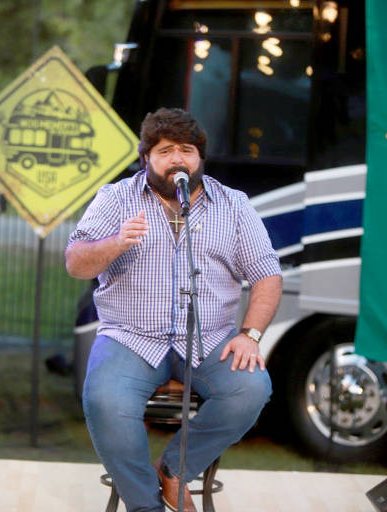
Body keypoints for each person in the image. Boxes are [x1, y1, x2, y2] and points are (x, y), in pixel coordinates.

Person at [65, 108, 282, 512]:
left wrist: (249, 335)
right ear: (145, 157)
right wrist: (114, 243)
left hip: (210, 337)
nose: (177, 159)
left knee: (251, 388)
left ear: (200, 158)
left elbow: (267, 274)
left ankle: (174, 468)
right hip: (129, 336)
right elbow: (76, 262)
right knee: (105, 401)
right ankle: (146, 504)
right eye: (165, 151)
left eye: (186, 150)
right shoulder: (116, 198)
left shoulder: (233, 205)